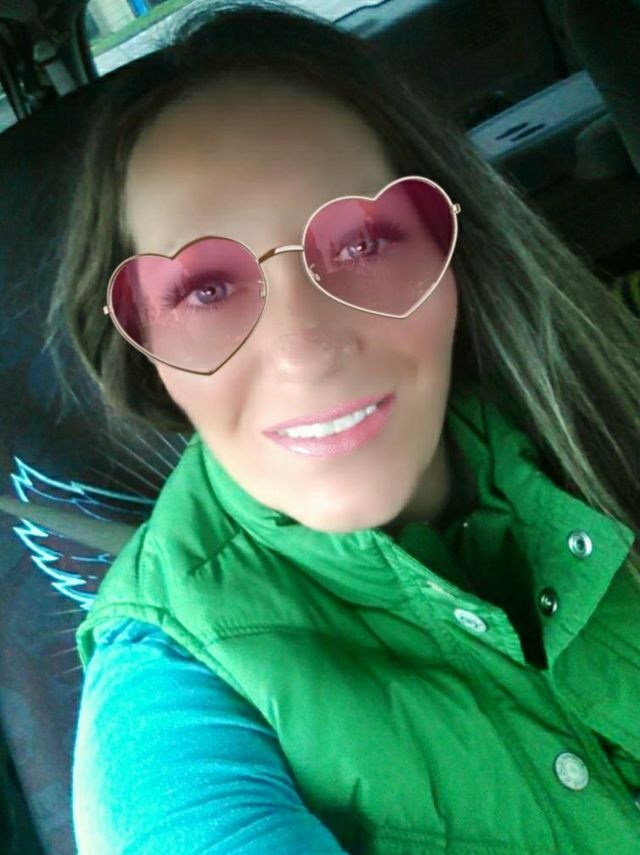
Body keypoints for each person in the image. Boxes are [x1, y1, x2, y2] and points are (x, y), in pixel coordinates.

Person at [42, 2, 640, 853]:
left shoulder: (594, 402)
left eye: (361, 243)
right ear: (143, 354)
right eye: (205, 289)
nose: (305, 347)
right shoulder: (169, 697)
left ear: (450, 250)